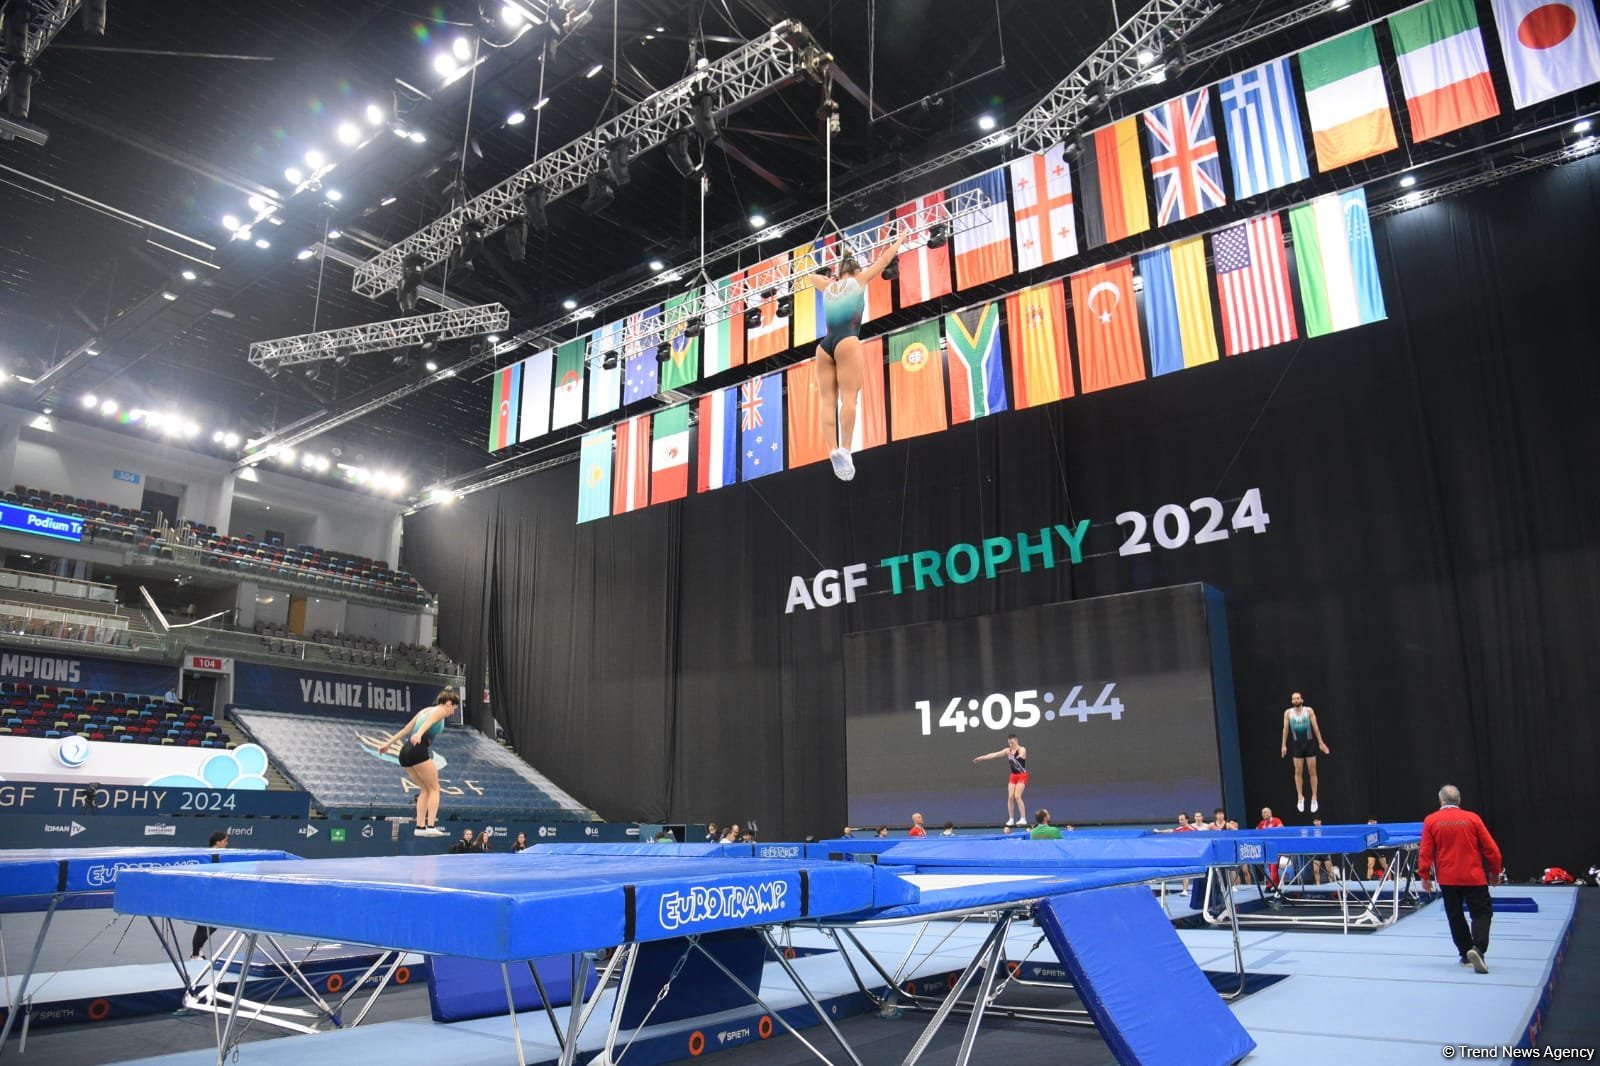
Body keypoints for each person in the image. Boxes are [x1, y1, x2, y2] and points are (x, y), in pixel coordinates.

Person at [812, 223, 903, 481]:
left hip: (824, 345)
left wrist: (830, 278)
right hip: (847, 340)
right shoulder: (859, 280)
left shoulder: (828, 287)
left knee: (827, 401)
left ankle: (832, 449)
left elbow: (811, 278)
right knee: (849, 398)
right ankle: (846, 449)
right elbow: (884, 260)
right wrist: (899, 241)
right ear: (856, 270)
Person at [1420, 785, 1503, 974]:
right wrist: (1494, 871)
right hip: (1473, 876)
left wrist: (1425, 875)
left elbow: (1426, 850)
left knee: (1455, 916)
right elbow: (1491, 849)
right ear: (1459, 801)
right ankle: (1478, 949)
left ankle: (1466, 954)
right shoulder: (1472, 818)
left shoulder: (1431, 820)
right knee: (1482, 913)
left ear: (1441, 801)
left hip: (1448, 878)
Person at [377, 687, 460, 836]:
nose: (452, 712)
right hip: (417, 748)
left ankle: (420, 827)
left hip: (405, 752)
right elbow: (428, 723)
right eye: (453, 708)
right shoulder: (440, 711)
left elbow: (405, 729)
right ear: (448, 703)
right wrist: (420, 734)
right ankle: (431, 825)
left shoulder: (424, 710)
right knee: (435, 789)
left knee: (425, 789)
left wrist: (388, 744)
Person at [1280, 691, 1331, 813]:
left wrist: (1321, 743)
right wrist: (1283, 745)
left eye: (1298, 698)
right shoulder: (1288, 713)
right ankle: (1300, 797)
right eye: (1294, 699)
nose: (1296, 700)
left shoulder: (1308, 711)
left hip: (1309, 743)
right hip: (1297, 745)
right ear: (1292, 701)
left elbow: (1315, 727)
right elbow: (1285, 729)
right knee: (1298, 771)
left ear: (1302, 700)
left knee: (1312, 771)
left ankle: (1314, 797)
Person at [972, 733, 1029, 826]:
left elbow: (1022, 754)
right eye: (1009, 743)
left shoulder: (1022, 749)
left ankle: (1023, 818)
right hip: (1013, 776)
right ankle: (1011, 819)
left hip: (1022, 775)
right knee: (1010, 797)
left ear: (1016, 741)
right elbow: (994, 754)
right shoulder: (1007, 750)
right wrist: (981, 758)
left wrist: (1019, 756)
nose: (1011, 745)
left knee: (1017, 796)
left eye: (1012, 743)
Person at [190, 831, 228, 958]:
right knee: (206, 925)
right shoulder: (214, 854)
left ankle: (197, 951)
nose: (226, 843)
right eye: (225, 841)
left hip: (207, 894)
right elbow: (214, 875)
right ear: (218, 842)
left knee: (209, 925)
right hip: (208, 896)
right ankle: (195, 954)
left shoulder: (212, 854)